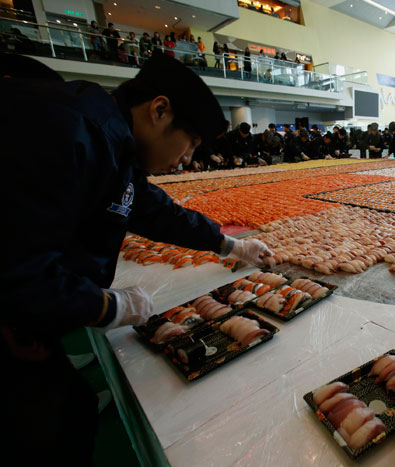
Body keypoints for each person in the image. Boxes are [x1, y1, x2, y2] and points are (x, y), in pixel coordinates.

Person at [1, 53, 273, 464]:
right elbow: (14, 265)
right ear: (159, 110)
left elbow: (153, 209)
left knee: (72, 410)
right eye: (192, 143)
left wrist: (230, 245)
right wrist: (105, 306)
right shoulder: (72, 130)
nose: (187, 159)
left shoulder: (111, 141)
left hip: (29, 320)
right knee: (51, 430)